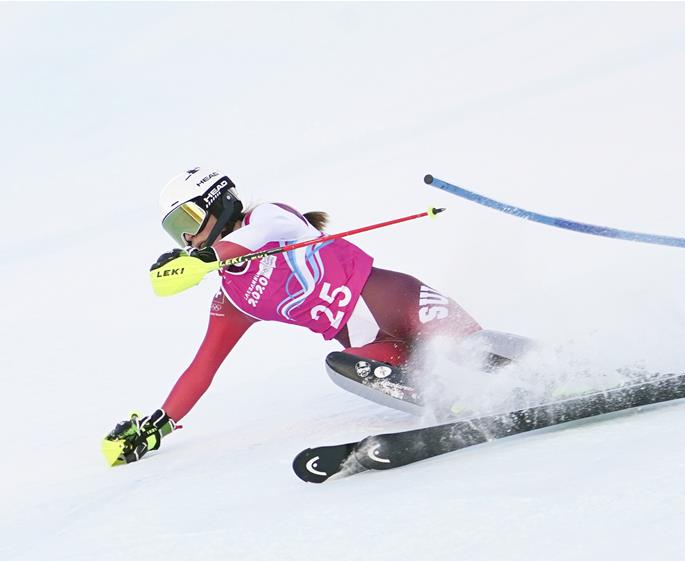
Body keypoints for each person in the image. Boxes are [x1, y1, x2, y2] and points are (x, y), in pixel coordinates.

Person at [103, 167, 522, 466]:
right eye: (177, 231)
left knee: (469, 348)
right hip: (374, 343)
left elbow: (244, 243)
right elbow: (203, 365)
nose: (188, 237)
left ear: (220, 203)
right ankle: (453, 402)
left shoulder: (269, 217)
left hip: (401, 301)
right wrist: (156, 425)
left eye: (189, 221)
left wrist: (200, 261)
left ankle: (541, 371)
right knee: (342, 366)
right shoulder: (234, 299)